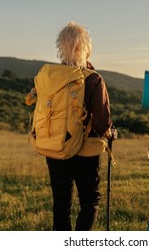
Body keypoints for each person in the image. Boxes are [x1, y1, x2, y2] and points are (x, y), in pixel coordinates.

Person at [41, 21, 113, 231]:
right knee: (89, 201)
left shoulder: (49, 77)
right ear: (86, 48)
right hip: (85, 151)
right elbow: (101, 123)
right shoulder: (93, 79)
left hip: (54, 147)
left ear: (60, 47)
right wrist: (109, 131)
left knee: (61, 203)